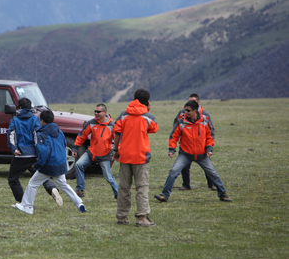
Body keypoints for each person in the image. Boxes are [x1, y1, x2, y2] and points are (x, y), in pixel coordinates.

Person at [154, 100, 232, 203]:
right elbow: (173, 136)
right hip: (185, 154)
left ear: (195, 110)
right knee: (173, 172)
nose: (185, 112)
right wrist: (172, 149)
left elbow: (210, 136)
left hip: (202, 155)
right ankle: (164, 195)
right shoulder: (181, 122)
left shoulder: (204, 121)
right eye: (185, 110)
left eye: (188, 110)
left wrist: (209, 148)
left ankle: (222, 194)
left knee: (212, 173)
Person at [13, 109, 86, 215]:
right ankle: (79, 204)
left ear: (42, 120)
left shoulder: (42, 134)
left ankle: (27, 206)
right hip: (61, 164)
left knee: (33, 184)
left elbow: (44, 152)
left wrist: (38, 165)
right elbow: (64, 143)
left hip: (49, 166)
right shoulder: (59, 130)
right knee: (64, 185)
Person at [111, 89, 158, 227]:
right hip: (140, 156)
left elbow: (117, 132)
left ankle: (122, 216)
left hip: (125, 155)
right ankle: (142, 217)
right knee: (141, 187)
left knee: (124, 187)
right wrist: (147, 110)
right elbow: (154, 129)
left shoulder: (124, 115)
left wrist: (116, 150)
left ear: (134, 98)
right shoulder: (147, 116)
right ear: (147, 102)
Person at [7, 98, 63, 207]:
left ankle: (23, 202)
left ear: (19, 108)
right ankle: (52, 189)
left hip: (21, 155)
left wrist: (14, 149)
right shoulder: (35, 119)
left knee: (13, 178)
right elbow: (38, 136)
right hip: (33, 155)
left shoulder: (15, 119)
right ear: (30, 107)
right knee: (40, 175)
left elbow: (11, 135)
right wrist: (38, 153)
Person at [73, 103, 118, 199]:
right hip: (91, 153)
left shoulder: (112, 125)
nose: (96, 113)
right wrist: (75, 148)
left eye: (98, 111)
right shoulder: (91, 123)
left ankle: (119, 195)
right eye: (95, 111)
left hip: (105, 155)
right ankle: (80, 190)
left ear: (105, 112)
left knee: (109, 177)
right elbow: (82, 135)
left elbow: (119, 140)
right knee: (78, 165)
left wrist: (117, 152)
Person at [173, 93, 216, 191]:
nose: (190, 103)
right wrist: (179, 139)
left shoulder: (205, 114)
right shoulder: (182, 113)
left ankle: (211, 184)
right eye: (189, 101)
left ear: (198, 102)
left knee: (207, 166)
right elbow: (176, 126)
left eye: (193, 101)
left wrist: (209, 146)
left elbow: (211, 130)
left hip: (202, 146)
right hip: (187, 145)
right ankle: (186, 185)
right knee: (184, 165)